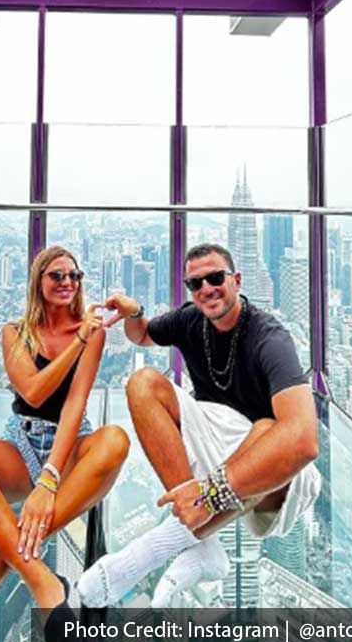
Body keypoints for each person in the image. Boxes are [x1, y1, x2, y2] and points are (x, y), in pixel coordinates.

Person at [78, 242, 320, 608]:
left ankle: (150, 552)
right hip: (212, 443)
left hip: (272, 473)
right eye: (195, 283)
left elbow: (302, 440)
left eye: (215, 277)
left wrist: (211, 495)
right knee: (142, 382)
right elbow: (142, 334)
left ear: (236, 280)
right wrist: (134, 313)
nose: (206, 288)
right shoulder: (192, 319)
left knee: (267, 428)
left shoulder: (270, 337)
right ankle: (204, 544)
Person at [0, 245, 129, 642]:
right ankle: (46, 584)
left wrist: (50, 478)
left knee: (115, 440)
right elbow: (33, 392)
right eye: (56, 275)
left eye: (74, 276)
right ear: (38, 282)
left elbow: (74, 407)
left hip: (68, 444)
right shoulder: (15, 332)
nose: (67, 282)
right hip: (21, 443)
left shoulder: (93, 331)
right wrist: (76, 341)